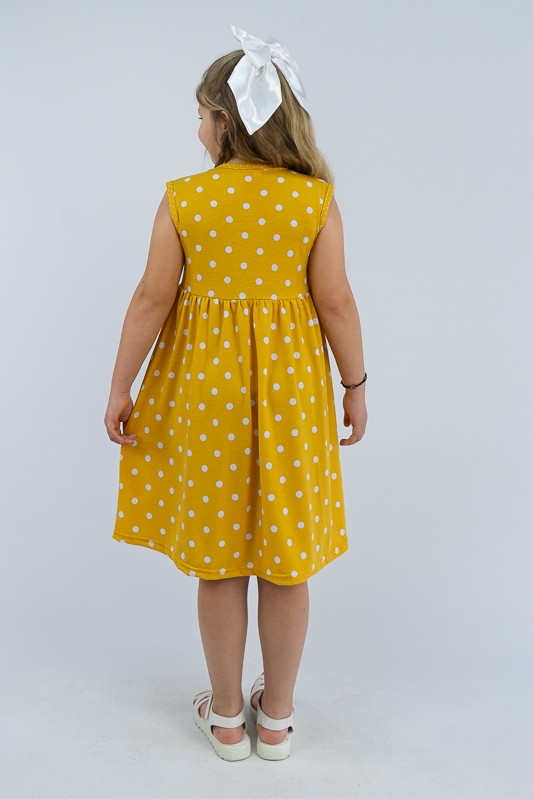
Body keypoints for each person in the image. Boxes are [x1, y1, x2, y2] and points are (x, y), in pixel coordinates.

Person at [104, 25, 367, 762]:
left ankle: (225, 719)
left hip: (207, 398)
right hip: (291, 400)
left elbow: (152, 297)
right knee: (284, 556)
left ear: (225, 121)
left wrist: (121, 386)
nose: (196, 128)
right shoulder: (313, 201)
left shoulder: (187, 199)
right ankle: (275, 720)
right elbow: (337, 301)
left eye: (200, 115)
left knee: (219, 555)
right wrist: (354, 385)